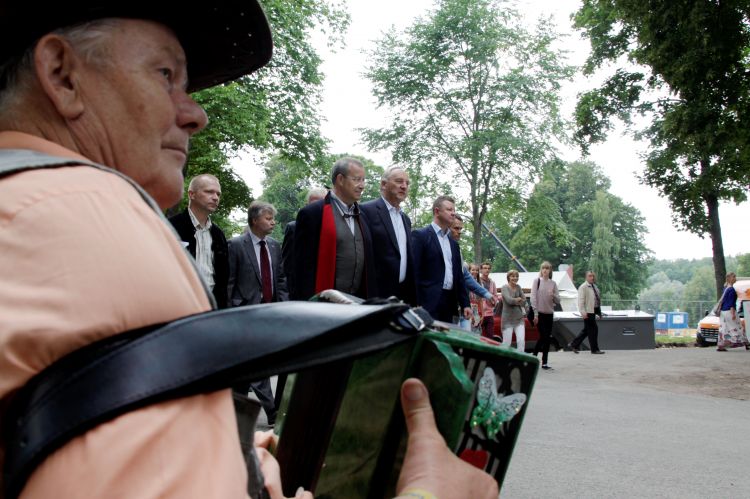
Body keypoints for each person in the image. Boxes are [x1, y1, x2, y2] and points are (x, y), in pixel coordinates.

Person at [0, 4, 499, 498]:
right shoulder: (88, 215)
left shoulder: (30, 207)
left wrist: (235, 454)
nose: (195, 114)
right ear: (62, 75)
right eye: (165, 75)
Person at [227, 200, 289, 425]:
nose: (273, 222)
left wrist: (284, 306)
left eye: (273, 218)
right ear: (254, 220)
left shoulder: (274, 245)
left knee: (247, 364)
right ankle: (272, 412)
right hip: (245, 312)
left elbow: (280, 279)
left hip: (270, 312)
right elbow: (229, 280)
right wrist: (231, 311)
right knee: (257, 362)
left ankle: (236, 415)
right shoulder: (236, 245)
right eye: (268, 218)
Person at [292, 157, 377, 301]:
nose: (362, 186)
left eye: (363, 180)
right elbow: (302, 269)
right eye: (357, 179)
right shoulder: (312, 214)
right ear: (340, 179)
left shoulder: (363, 216)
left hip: (357, 303)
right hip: (324, 302)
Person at [169, 173, 229, 308]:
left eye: (218, 194)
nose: (215, 197)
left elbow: (223, 278)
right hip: (178, 305)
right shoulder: (171, 227)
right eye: (209, 192)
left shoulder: (218, 234)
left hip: (212, 307)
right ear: (192, 194)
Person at [360, 165, 416, 304]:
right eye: (399, 181)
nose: (404, 186)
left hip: (401, 295)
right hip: (375, 296)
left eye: (407, 183)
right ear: (384, 184)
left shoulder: (405, 219)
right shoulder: (366, 211)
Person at [412, 196, 471, 323]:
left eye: (454, 210)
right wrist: (415, 302)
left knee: (447, 335)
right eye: (449, 209)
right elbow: (414, 272)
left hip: (449, 304)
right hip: (427, 303)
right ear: (437, 211)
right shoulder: (420, 236)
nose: (453, 213)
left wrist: (465, 303)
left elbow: (459, 276)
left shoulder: (453, 244)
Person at [449, 216, 496, 332]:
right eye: (456, 228)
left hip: (462, 309)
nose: (460, 232)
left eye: (461, 229)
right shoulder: (436, 245)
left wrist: (487, 294)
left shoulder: (457, 250)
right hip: (444, 308)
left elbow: (466, 277)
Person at [280, 187, 326, 298]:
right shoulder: (293, 228)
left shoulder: (334, 228)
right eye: (313, 205)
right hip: (302, 292)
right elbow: (288, 265)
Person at [531, 261, 560, 370]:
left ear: (550, 270)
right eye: (543, 268)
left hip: (549, 314)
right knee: (544, 336)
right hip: (539, 313)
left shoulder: (553, 283)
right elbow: (533, 297)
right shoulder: (537, 281)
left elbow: (558, 300)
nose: (545, 270)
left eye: (547, 268)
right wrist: (535, 313)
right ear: (541, 270)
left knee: (546, 338)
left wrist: (553, 295)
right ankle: (534, 357)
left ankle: (544, 362)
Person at [569, 271, 605, 354]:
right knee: (593, 330)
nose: (592, 277)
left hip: (593, 311)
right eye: (590, 276)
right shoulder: (583, 287)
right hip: (587, 312)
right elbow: (580, 301)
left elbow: (596, 301)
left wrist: (599, 313)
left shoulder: (594, 287)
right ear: (586, 277)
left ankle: (573, 344)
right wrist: (582, 312)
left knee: (587, 330)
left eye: (593, 276)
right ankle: (594, 349)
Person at [716, 272, 749, 351]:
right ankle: (745, 343)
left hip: (723, 312)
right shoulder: (731, 289)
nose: (735, 278)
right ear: (729, 279)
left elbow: (723, 301)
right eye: (733, 277)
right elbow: (731, 303)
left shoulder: (725, 288)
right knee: (737, 327)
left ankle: (721, 345)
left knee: (724, 328)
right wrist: (733, 313)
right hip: (729, 311)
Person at [500, 269, 527, 352]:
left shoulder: (518, 287)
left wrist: (517, 301)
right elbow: (509, 301)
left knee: (521, 341)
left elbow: (524, 301)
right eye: (513, 276)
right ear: (508, 277)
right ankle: (504, 359)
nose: (515, 278)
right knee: (507, 343)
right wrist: (518, 299)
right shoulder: (504, 287)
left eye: (516, 276)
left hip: (519, 319)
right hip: (507, 319)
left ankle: (520, 358)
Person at [478, 262, 498, 339]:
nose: (487, 270)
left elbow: (495, 295)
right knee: (479, 336)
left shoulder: (492, 282)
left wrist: (493, 302)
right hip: (479, 313)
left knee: (490, 336)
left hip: (489, 313)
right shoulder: (477, 281)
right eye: (485, 268)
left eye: (489, 268)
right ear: (481, 270)